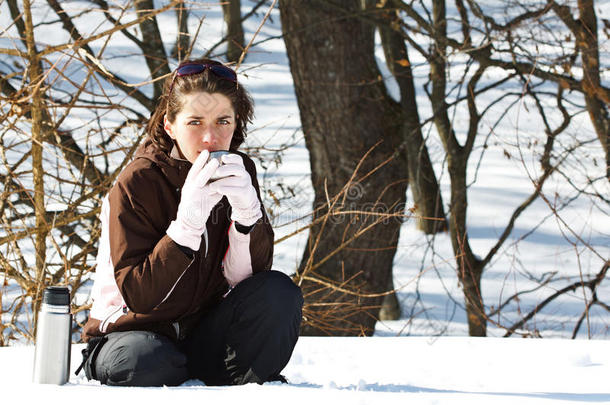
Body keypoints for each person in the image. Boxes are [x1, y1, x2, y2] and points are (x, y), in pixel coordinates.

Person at [78, 58, 303, 387]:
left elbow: (248, 284)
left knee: (279, 293)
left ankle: (243, 385)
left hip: (201, 334)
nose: (211, 137)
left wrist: (247, 219)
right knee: (150, 361)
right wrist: (187, 225)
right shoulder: (137, 183)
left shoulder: (240, 171)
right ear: (170, 125)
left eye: (223, 121)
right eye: (195, 122)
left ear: (236, 123)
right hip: (129, 334)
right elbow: (140, 296)